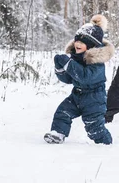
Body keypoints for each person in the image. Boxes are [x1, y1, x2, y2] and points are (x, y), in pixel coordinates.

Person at [44, 15, 114, 145]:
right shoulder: (76, 58)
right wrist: (60, 68)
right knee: (63, 112)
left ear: (91, 45)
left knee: (93, 127)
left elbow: (84, 77)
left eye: (82, 42)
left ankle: (106, 143)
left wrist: (68, 64)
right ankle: (57, 134)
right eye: (77, 40)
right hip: (77, 95)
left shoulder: (96, 62)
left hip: (94, 99)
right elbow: (69, 79)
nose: (78, 44)